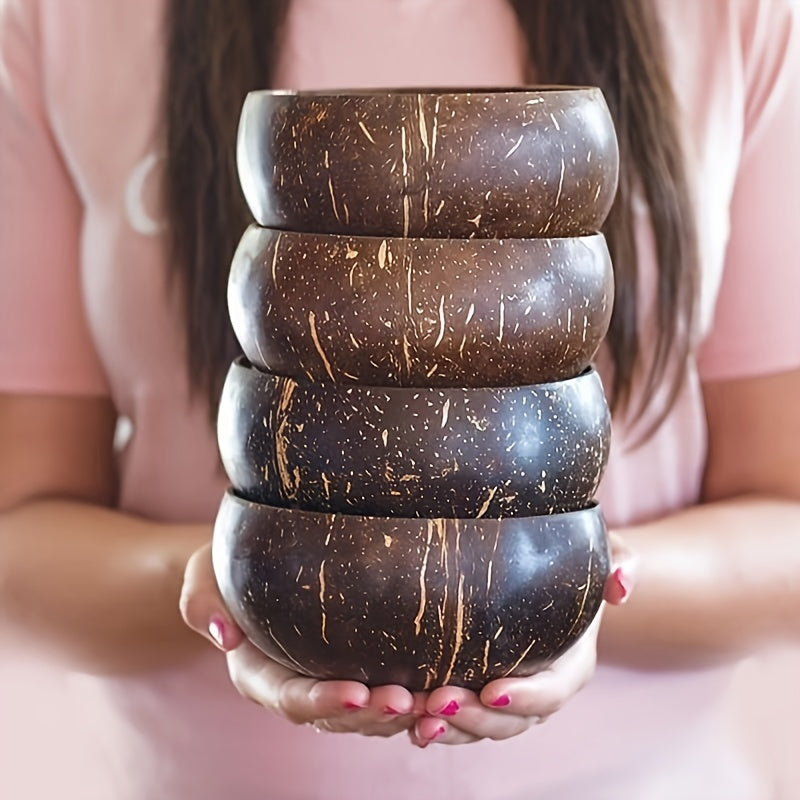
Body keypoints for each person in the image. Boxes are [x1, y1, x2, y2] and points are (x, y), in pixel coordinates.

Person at [1, 0, 799, 798]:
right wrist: (230, 584)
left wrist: (587, 588)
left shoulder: (734, 16)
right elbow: (21, 531)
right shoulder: (68, 18)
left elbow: (785, 519)